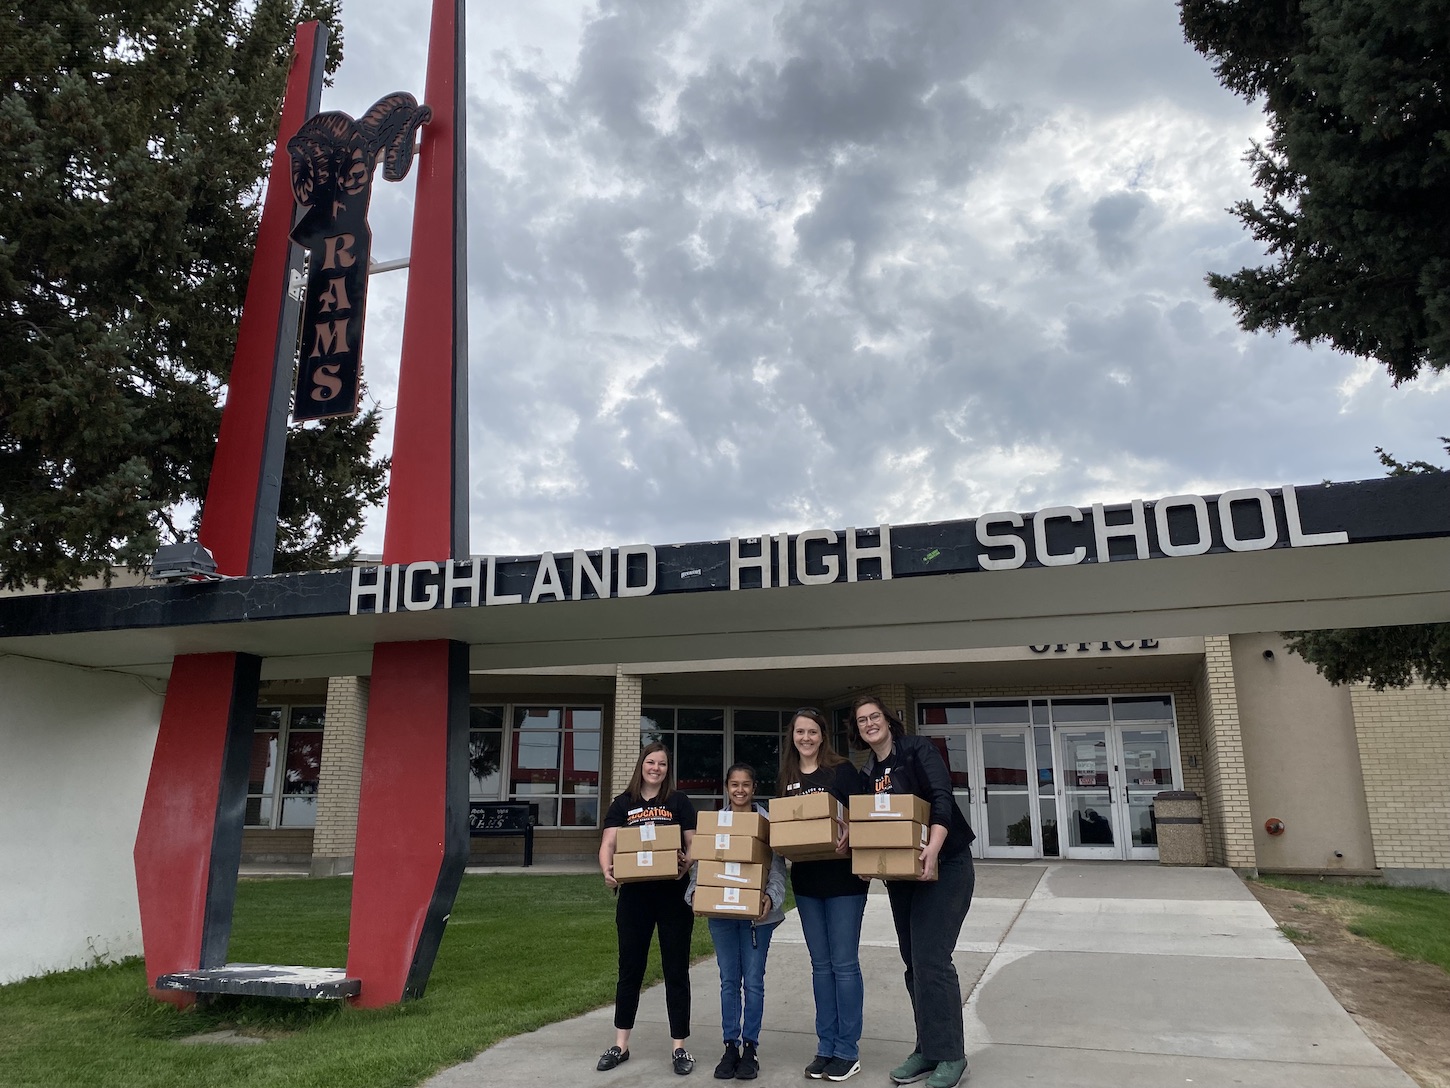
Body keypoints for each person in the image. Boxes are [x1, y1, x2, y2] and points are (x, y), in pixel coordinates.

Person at [851, 696, 976, 1088]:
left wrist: (934, 847)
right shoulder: (869, 770)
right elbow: (874, 825)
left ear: (888, 720)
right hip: (903, 878)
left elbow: (942, 796)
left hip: (946, 864)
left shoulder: (916, 749)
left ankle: (952, 1055)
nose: (870, 724)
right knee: (914, 965)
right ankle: (927, 1048)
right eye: (861, 721)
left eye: (875, 717)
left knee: (932, 962)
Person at [778, 708, 869, 1082]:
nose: (806, 738)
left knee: (844, 965)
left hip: (845, 882)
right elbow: (783, 823)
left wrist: (852, 830)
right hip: (808, 883)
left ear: (822, 736)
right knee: (820, 966)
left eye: (812, 732)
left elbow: (866, 816)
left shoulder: (842, 771)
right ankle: (826, 1046)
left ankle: (848, 1051)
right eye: (800, 732)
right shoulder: (789, 776)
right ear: (793, 736)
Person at [598, 742, 699, 1076]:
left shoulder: (678, 801)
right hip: (635, 899)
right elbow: (609, 844)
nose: (656, 768)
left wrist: (687, 864)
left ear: (668, 770)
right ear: (641, 764)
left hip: (672, 895)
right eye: (651, 762)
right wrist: (607, 871)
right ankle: (620, 1044)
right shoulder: (623, 803)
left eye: (663, 764)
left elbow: (692, 842)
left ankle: (679, 1047)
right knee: (630, 969)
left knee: (675, 970)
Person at [685, 762, 787, 1081]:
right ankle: (730, 1046)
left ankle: (750, 1048)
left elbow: (777, 867)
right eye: (734, 784)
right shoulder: (717, 823)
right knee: (729, 981)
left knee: (753, 982)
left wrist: (770, 898)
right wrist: (695, 896)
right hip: (723, 914)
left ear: (754, 788)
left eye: (746, 784)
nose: (739, 790)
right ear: (726, 788)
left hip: (759, 916)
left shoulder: (768, 822)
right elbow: (703, 863)